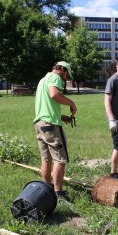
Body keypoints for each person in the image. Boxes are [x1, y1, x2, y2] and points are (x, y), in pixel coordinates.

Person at [33, 61, 77, 200]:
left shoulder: (43, 79)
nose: (65, 79)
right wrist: (71, 103)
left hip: (40, 123)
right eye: (66, 75)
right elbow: (54, 95)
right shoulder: (55, 77)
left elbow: (47, 103)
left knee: (46, 160)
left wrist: (59, 116)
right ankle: (58, 194)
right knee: (60, 160)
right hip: (50, 125)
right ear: (62, 69)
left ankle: (46, 189)